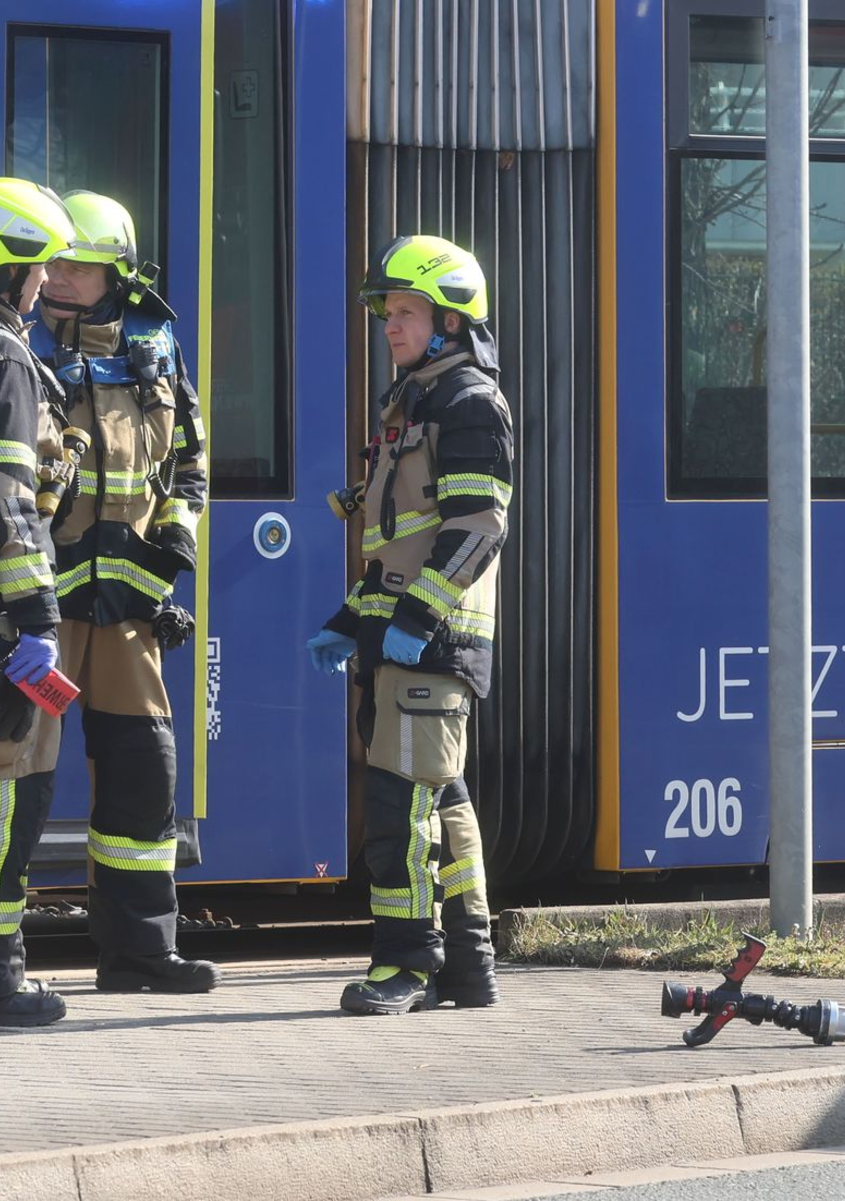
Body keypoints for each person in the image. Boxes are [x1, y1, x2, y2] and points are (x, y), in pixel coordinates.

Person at [309, 233, 512, 1015]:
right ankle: (469, 963)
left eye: (406, 311)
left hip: (433, 637)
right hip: (401, 635)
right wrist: (350, 620)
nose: (389, 326)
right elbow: (396, 545)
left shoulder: (467, 403)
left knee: (402, 807)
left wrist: (420, 615)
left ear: (451, 322)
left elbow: (477, 526)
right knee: (442, 798)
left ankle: (408, 963)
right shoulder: (412, 402)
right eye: (387, 312)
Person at [24, 190, 218, 993]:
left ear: (117, 272)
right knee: (21, 772)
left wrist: (174, 542)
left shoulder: (158, 350)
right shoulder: (22, 348)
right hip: (42, 606)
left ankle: (141, 950)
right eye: (55, 262)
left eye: (78, 263)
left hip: (129, 610)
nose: (60, 274)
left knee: (144, 769)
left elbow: (191, 467)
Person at [0, 178, 78, 1025]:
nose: (46, 284)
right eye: (37, 269)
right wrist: (38, 621)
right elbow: (9, 501)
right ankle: (2, 973)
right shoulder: (10, 360)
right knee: (12, 796)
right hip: (4, 627)